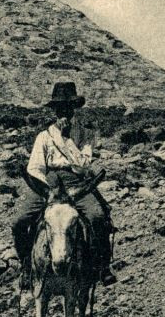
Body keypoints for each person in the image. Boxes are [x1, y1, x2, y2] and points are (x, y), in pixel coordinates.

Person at [11, 82, 116, 287]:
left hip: (76, 180)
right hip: (49, 183)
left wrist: (68, 140)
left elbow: (84, 165)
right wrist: (47, 190)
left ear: (73, 109)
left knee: (97, 216)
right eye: (60, 109)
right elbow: (35, 168)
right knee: (19, 221)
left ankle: (102, 266)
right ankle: (26, 267)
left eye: (68, 108)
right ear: (55, 111)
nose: (64, 114)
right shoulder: (44, 136)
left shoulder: (84, 134)